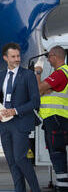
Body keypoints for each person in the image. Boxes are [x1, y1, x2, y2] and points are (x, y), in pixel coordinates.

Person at [0, 43, 40, 192]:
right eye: (13, 56)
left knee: (20, 158)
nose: (17, 59)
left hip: (20, 123)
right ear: (5, 58)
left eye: (18, 56)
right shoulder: (1, 76)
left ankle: (35, 189)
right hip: (4, 125)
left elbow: (35, 102)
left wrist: (15, 111)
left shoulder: (28, 75)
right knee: (12, 162)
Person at [36, 46, 68, 191]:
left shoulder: (60, 74)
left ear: (55, 56)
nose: (48, 60)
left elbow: (38, 90)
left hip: (56, 119)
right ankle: (62, 185)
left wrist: (37, 72)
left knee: (57, 154)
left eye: (49, 57)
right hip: (59, 119)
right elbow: (43, 90)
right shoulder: (61, 74)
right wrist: (44, 89)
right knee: (58, 154)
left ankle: (62, 187)